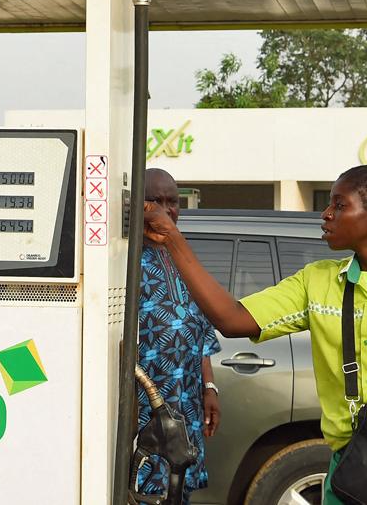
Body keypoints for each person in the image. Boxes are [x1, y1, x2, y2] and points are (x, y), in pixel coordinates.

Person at [144, 164, 367, 505]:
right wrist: (174, 240)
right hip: (355, 462)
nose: (326, 214)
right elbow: (232, 319)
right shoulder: (317, 282)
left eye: (339, 205)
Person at [136, 168, 221, 505]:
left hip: (184, 401)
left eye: (172, 201)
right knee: (141, 487)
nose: (166, 209)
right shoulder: (122, 259)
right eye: (155, 200)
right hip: (145, 403)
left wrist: (210, 386)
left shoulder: (182, 256)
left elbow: (199, 328)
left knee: (177, 486)